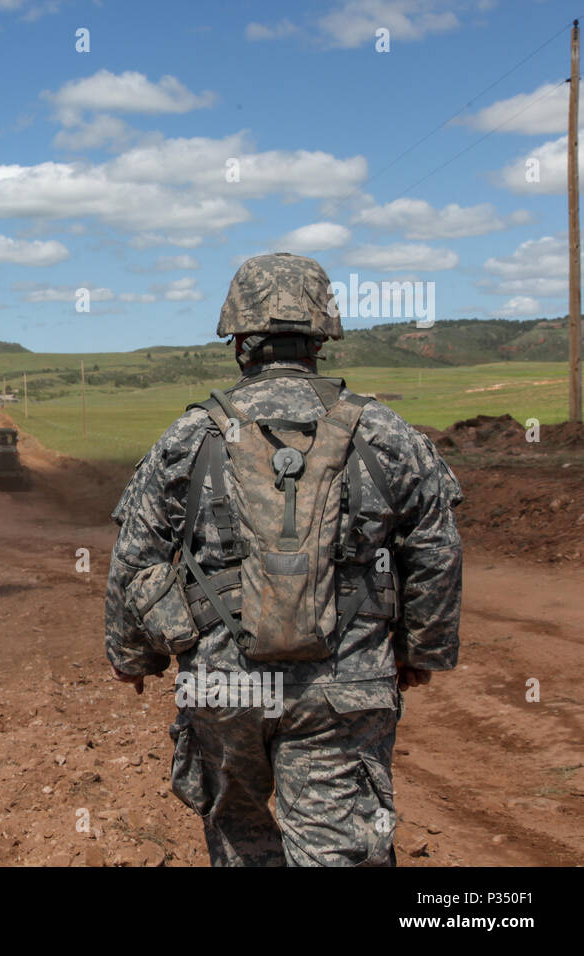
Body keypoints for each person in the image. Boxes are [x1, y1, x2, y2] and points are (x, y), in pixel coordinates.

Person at [104, 253, 462, 866]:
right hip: (344, 686)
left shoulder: (188, 437)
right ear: (322, 336)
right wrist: (418, 652)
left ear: (239, 340)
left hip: (224, 685)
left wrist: (132, 656)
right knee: (339, 852)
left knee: (241, 842)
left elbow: (136, 557)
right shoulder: (386, 432)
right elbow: (435, 547)